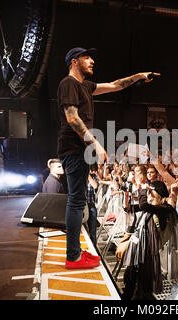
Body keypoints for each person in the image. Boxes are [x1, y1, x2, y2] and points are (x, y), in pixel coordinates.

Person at [57, 46, 159, 269]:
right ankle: (73, 256)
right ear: (74, 61)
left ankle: (74, 252)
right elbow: (72, 118)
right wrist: (94, 142)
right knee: (76, 201)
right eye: (87, 57)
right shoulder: (69, 84)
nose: (92, 61)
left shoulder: (85, 86)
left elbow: (115, 85)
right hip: (73, 149)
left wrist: (140, 76)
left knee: (78, 200)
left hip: (79, 150)